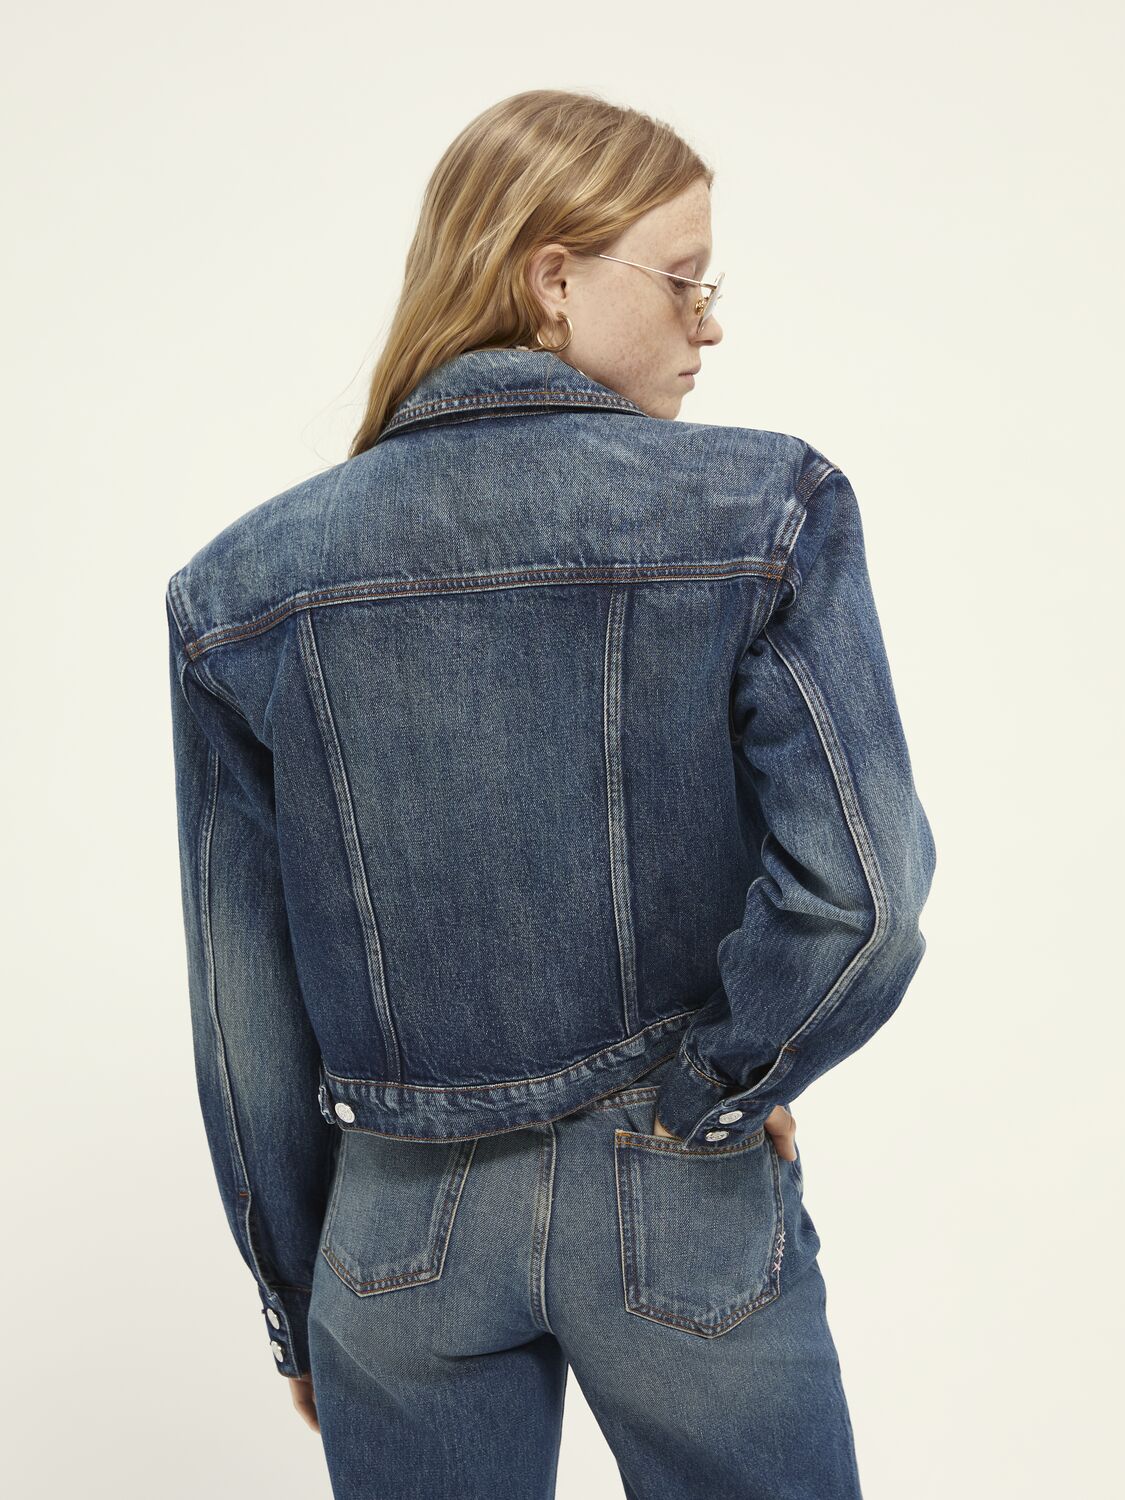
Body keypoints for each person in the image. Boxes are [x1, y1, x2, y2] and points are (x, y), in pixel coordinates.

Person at [165, 88, 936, 1499]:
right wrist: (723, 1089)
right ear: (552, 278)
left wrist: (297, 1293)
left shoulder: (242, 587)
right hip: (675, 1198)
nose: (709, 324)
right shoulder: (761, 508)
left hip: (393, 1239)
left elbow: (243, 1007)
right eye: (685, 280)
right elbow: (860, 903)